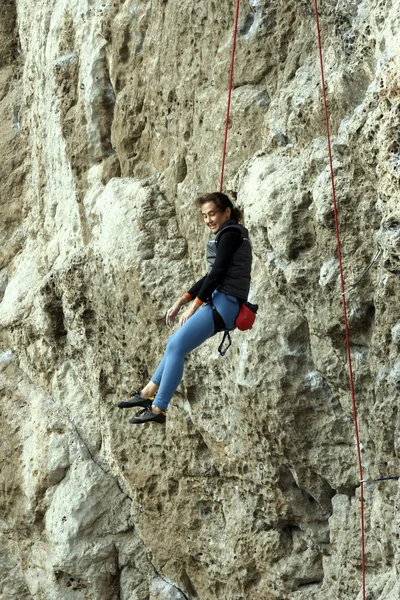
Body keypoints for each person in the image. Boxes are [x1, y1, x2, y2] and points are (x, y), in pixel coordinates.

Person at [118, 192, 252, 424]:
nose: (208, 220)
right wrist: (183, 300)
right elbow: (211, 275)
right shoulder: (227, 234)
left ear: (227, 212)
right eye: (204, 216)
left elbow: (218, 274)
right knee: (173, 344)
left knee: (178, 346)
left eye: (212, 214)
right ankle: (146, 394)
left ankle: (159, 408)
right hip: (222, 302)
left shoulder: (230, 235)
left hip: (226, 304)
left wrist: (194, 307)